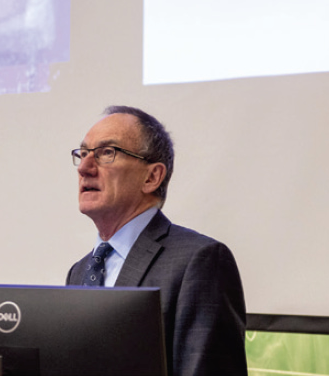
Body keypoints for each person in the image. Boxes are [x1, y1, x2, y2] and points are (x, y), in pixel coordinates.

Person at [66, 106, 247, 376]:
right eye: (82, 154)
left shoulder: (199, 261)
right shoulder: (79, 272)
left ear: (151, 177)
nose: (84, 168)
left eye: (106, 153)